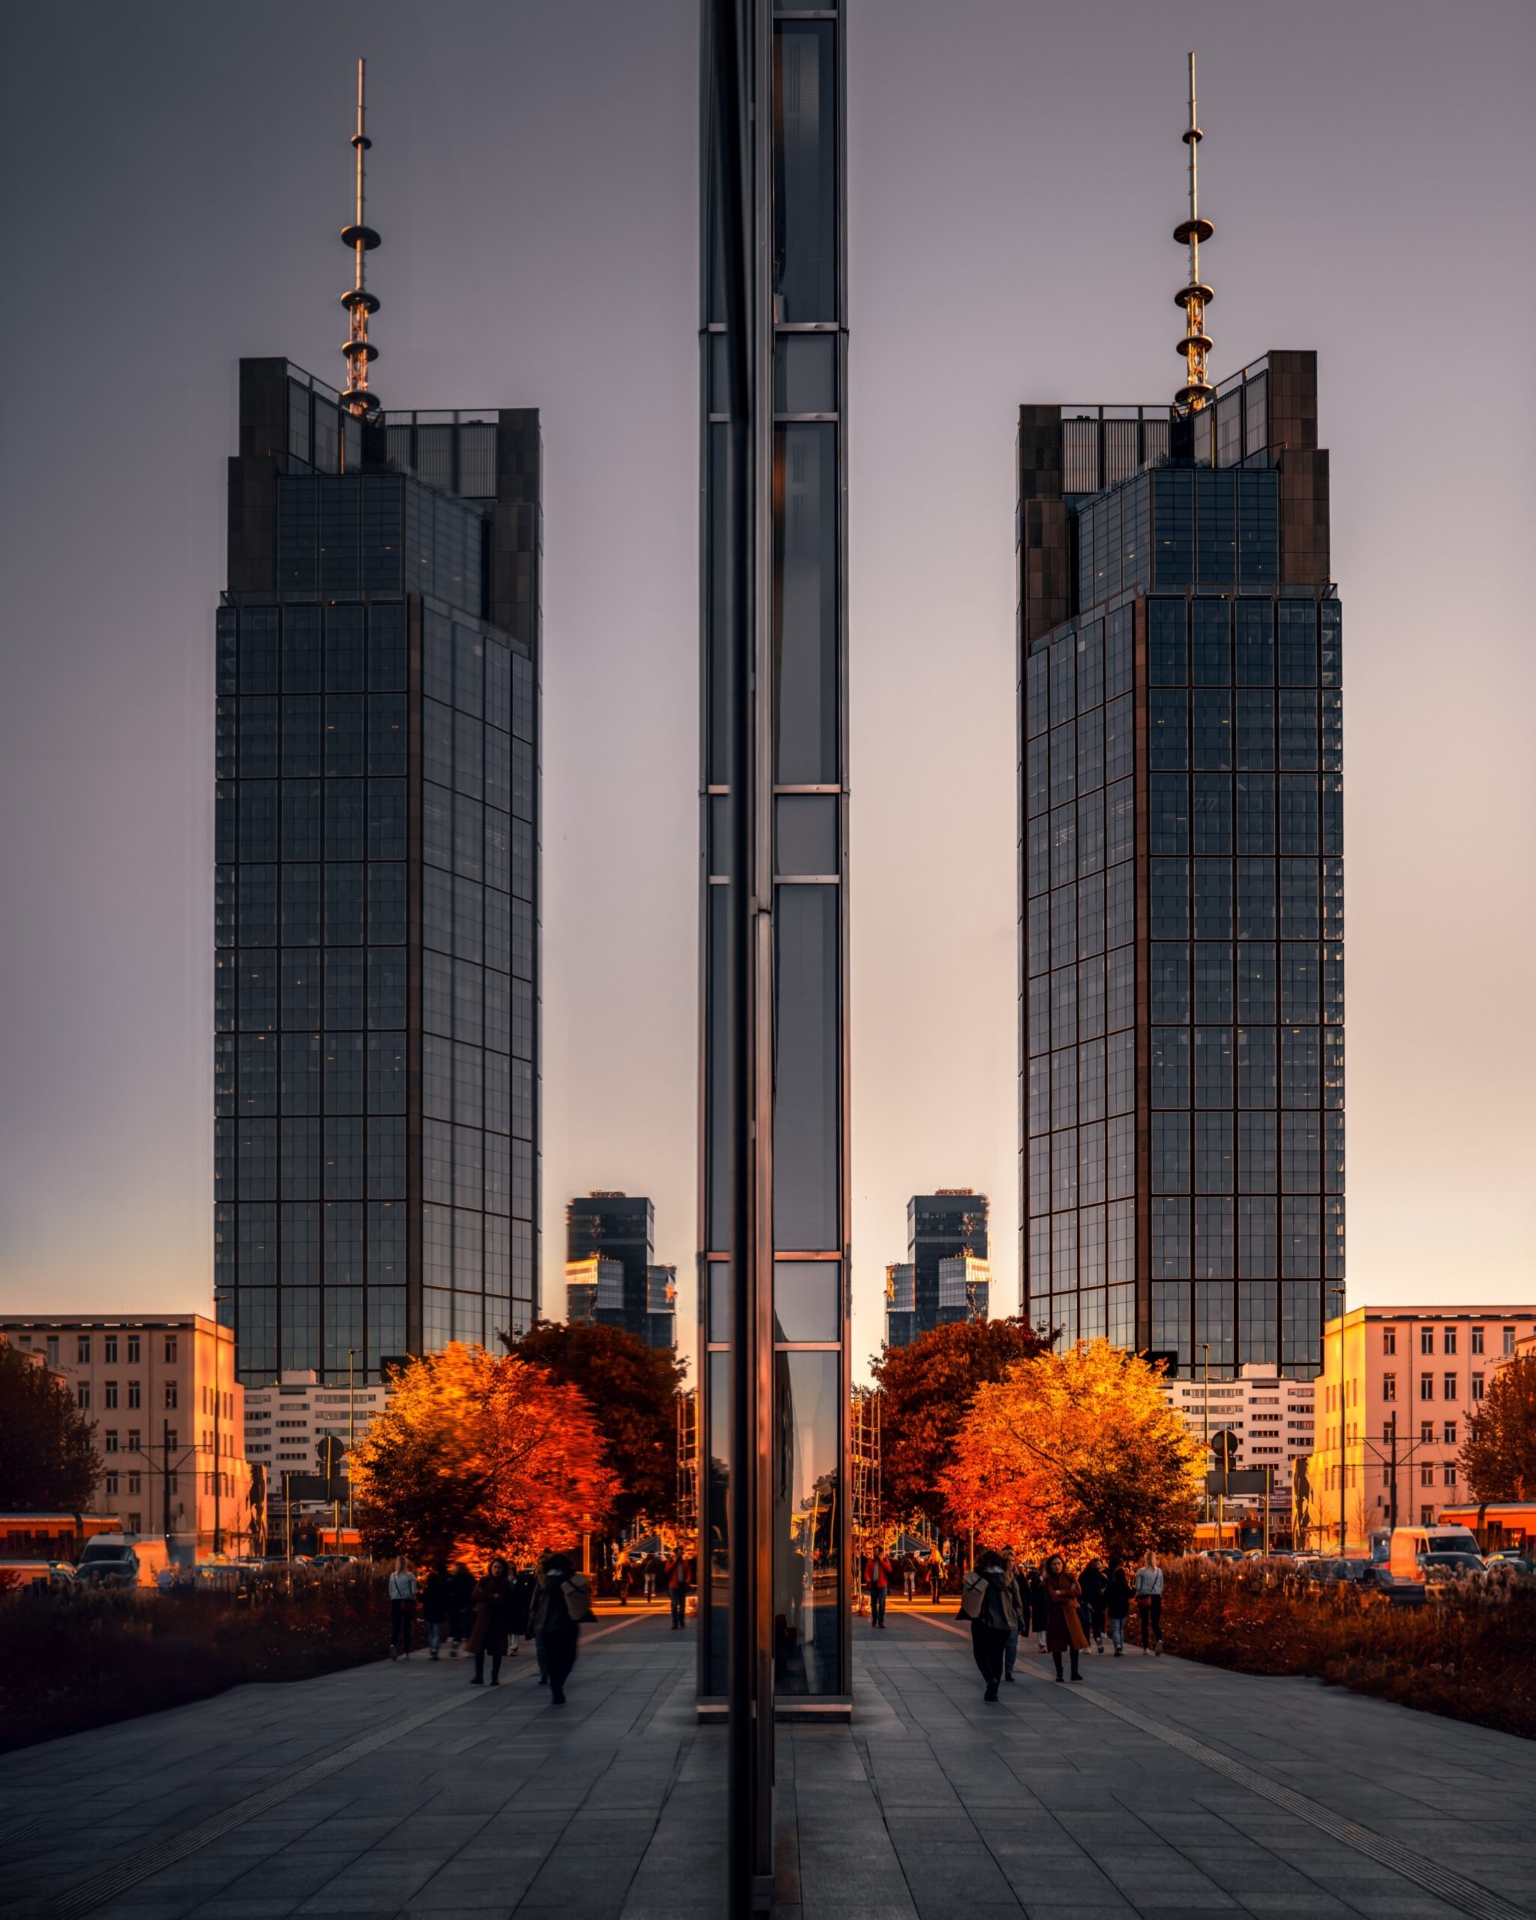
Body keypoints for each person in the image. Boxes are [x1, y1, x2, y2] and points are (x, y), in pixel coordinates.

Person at [959, 1548, 1020, 1702]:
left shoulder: (978, 1577)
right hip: (1005, 1623)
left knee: (980, 1653)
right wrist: (1019, 1621)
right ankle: (994, 1690)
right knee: (997, 1655)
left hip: (983, 1621)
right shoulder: (1009, 1578)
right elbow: (1018, 1603)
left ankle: (990, 1679)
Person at [531, 1550, 591, 1705]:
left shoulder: (544, 1581)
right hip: (567, 1624)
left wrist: (532, 1620)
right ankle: (559, 1682)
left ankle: (553, 1683)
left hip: (545, 1625)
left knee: (551, 1657)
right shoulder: (571, 1579)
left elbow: (535, 1603)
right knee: (568, 1656)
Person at [1043, 1553, 1086, 1683]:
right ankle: (1059, 1673)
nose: (1057, 1566)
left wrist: (1061, 1592)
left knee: (1075, 1643)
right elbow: (1052, 1597)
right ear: (1050, 1566)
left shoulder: (1069, 1576)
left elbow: (1078, 1591)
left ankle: (1074, 1671)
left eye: (1059, 1563)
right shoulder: (1048, 1580)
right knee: (1057, 1645)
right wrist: (1069, 1593)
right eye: (1054, 1564)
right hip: (1056, 1615)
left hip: (1071, 1613)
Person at [468, 1558, 512, 1686]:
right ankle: (479, 1675)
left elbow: (502, 1600)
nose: (496, 1570)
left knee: (497, 1650)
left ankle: (494, 1676)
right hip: (483, 1618)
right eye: (494, 1567)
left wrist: (486, 1597)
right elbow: (476, 1594)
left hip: (498, 1619)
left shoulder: (506, 1584)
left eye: (499, 1568)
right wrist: (492, 1596)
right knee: (478, 1647)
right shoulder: (484, 1580)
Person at [1001, 1549, 1027, 1682]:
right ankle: (998, 1670)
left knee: (1012, 1645)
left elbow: (1019, 1600)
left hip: (1012, 1615)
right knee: (1000, 1645)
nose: (1010, 1563)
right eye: (1007, 1560)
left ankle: (1009, 1670)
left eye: (1013, 1560)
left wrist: (1021, 1618)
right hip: (1000, 1614)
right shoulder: (1001, 1576)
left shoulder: (1017, 1576)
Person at [387, 1556, 418, 1660]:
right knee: (407, 1627)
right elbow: (414, 1591)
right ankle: (406, 1652)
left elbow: (390, 1591)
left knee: (396, 1626)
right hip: (407, 1602)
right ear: (406, 1564)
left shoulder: (392, 1576)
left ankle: (392, 1644)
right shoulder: (410, 1576)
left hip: (395, 1602)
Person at [1134, 1551, 1164, 1655]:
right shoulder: (1159, 1571)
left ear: (1145, 1559)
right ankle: (1159, 1639)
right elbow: (1161, 1587)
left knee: (1144, 1623)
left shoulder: (1141, 1571)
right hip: (1156, 1597)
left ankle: (1146, 1648)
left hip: (1144, 1597)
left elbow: (1137, 1587)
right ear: (1154, 1559)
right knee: (1155, 1622)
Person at [421, 1561, 451, 1660]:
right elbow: (446, 1600)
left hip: (429, 1614)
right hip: (439, 1613)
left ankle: (431, 1650)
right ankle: (435, 1649)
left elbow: (422, 1600)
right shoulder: (441, 1589)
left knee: (431, 1633)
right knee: (437, 1633)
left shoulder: (427, 1590)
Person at [1079, 1557, 1107, 1654]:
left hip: (1085, 1600)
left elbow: (1079, 1588)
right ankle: (1098, 1637)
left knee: (1086, 1623)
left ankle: (1087, 1646)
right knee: (1096, 1622)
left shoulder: (1083, 1575)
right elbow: (1104, 1583)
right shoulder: (1098, 1574)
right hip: (1097, 1600)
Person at [447, 1561, 475, 1657]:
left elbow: (450, 1593)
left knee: (456, 1627)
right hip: (467, 1606)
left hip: (455, 1607)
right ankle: (468, 1649)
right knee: (468, 1629)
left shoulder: (453, 1580)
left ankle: (455, 1642)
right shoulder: (470, 1579)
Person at [1105, 1557, 1132, 1656]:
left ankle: (1117, 1646)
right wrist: (1134, 1590)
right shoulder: (1124, 1586)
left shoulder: (1111, 1585)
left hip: (1113, 1610)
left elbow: (1106, 1596)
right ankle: (1121, 1646)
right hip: (1123, 1610)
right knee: (1120, 1629)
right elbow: (1130, 1595)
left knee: (1115, 1628)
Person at [864, 1547, 892, 1629]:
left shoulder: (885, 1560)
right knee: (873, 1604)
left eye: (876, 1552)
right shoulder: (870, 1561)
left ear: (880, 1553)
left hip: (882, 1585)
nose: (874, 1553)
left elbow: (889, 1569)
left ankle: (881, 1621)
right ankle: (874, 1619)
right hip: (873, 1585)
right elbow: (866, 1572)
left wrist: (881, 1561)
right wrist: (867, 1578)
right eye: (874, 1551)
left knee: (882, 1604)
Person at [666, 1548, 692, 1630]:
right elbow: (666, 1570)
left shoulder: (684, 1563)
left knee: (682, 1605)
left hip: (682, 1586)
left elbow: (689, 1573)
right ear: (676, 1554)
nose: (681, 1555)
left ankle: (681, 1619)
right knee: (674, 1604)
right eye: (679, 1553)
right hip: (673, 1586)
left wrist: (688, 1579)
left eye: (681, 1553)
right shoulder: (671, 1562)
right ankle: (675, 1622)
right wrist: (675, 1562)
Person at [1027, 1563, 1049, 1651]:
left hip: (1048, 1603)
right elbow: (1033, 1586)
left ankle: (1047, 1643)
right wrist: (1042, 1577)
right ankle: (1042, 1644)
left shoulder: (1052, 1577)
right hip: (1039, 1603)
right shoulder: (1037, 1576)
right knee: (1041, 1625)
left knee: (1048, 1624)